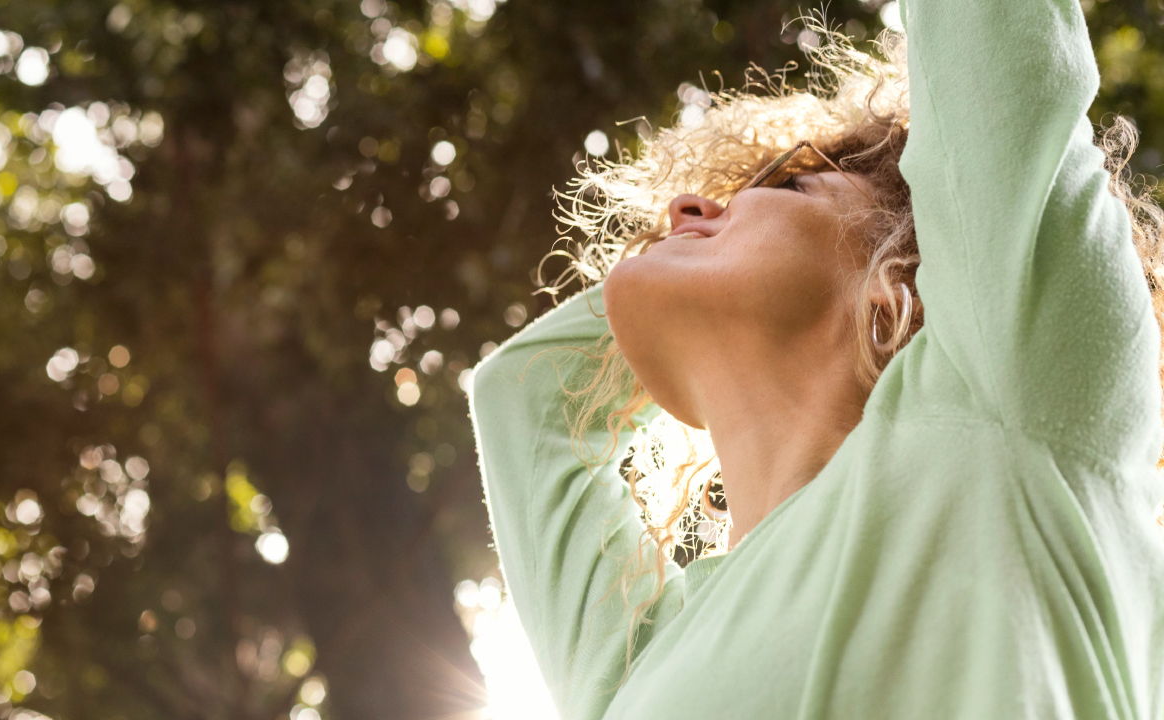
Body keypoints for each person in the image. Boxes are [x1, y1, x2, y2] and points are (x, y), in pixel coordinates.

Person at [468, 0, 1164, 717]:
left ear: (908, 270)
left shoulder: (1007, 398)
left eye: (785, 185)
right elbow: (520, 395)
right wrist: (668, 285)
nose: (686, 207)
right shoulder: (644, 662)